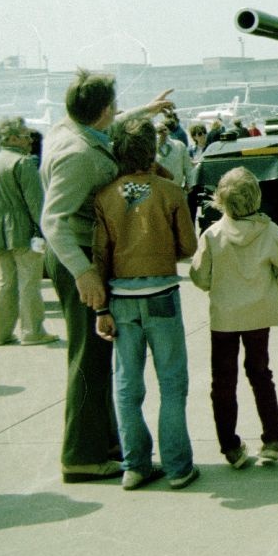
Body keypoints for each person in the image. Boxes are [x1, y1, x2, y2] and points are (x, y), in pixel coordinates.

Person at [40, 69, 174, 485]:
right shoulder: (78, 156)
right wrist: (84, 274)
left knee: (98, 359)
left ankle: (105, 444)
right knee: (89, 362)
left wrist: (144, 110)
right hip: (77, 254)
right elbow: (54, 221)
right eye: (113, 106)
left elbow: (107, 125)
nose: (116, 112)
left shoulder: (68, 128)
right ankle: (81, 455)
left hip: (83, 254)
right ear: (101, 110)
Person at [92, 116, 199, 490]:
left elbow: (99, 258)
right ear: (153, 150)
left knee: (127, 386)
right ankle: (178, 466)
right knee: (172, 385)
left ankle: (135, 465)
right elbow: (188, 247)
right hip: (162, 296)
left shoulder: (104, 196)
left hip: (120, 300)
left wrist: (101, 308)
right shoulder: (170, 193)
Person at [189, 166, 278, 471]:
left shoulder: (213, 235)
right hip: (259, 312)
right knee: (261, 373)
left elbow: (199, 276)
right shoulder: (272, 232)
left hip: (224, 316)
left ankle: (230, 446)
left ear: (221, 200)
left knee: (223, 380)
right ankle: (272, 439)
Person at [0, 117, 59, 346]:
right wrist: (46, 230)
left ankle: (1, 333)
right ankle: (32, 331)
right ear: (12, 138)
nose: (29, 140)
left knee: (4, 282)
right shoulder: (22, 163)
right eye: (25, 135)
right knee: (29, 282)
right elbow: (36, 203)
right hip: (23, 228)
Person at [155, 120, 193, 189]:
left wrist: (189, 185)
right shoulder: (151, 150)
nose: (163, 133)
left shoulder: (179, 145)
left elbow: (188, 168)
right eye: (160, 131)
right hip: (160, 189)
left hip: (178, 187)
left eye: (165, 130)